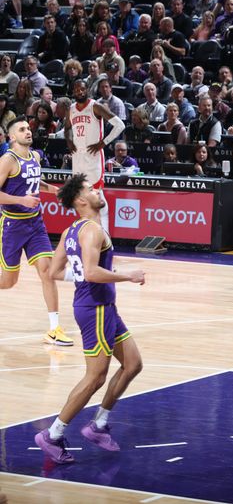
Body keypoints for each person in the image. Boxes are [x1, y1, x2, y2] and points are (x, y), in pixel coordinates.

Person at [36, 173, 146, 464]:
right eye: (90, 189)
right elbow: (92, 271)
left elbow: (55, 272)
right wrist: (128, 275)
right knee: (95, 376)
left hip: (102, 306)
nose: (98, 190)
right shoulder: (92, 231)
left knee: (133, 364)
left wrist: (84, 275)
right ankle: (53, 434)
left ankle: (98, 425)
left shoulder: (72, 230)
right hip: (95, 308)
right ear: (81, 200)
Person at [0, 118, 71, 346]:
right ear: (12, 137)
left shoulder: (36, 156)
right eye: (22, 130)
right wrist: (20, 199)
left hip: (35, 224)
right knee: (9, 281)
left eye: (28, 129)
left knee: (48, 272)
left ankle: (54, 329)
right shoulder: (7, 160)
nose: (28, 132)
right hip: (12, 225)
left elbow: (34, 181)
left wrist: (54, 190)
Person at [65, 80, 125, 232]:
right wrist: (69, 140)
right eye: (77, 89)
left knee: (98, 196)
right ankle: (87, 233)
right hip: (78, 159)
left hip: (93, 158)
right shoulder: (71, 109)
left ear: (87, 90)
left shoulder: (95, 107)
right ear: (73, 92)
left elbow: (120, 125)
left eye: (82, 89)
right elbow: (67, 128)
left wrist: (103, 143)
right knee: (80, 197)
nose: (80, 92)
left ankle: (105, 235)